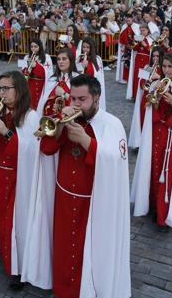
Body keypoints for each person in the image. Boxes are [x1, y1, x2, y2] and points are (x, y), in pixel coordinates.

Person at [40, 74, 130, 298]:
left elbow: (115, 162)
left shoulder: (112, 124)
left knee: (87, 250)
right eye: (73, 99)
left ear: (96, 98)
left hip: (94, 201)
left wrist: (87, 141)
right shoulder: (65, 118)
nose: (76, 104)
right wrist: (60, 126)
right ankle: (63, 290)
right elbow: (47, 149)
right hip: (64, 197)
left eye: (83, 99)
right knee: (63, 247)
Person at [0, 71, 48, 290]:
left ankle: (19, 269)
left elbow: (30, 150)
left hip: (19, 178)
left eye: (7, 88)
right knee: (2, 221)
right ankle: (6, 258)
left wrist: (8, 133)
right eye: (0, 88)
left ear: (20, 90)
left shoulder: (31, 116)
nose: (2, 93)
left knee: (17, 223)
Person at [131, 52, 172, 231]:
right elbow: (149, 110)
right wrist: (156, 99)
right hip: (156, 134)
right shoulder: (156, 84)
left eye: (170, 67)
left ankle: (165, 211)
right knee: (153, 168)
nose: (167, 71)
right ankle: (151, 205)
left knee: (167, 173)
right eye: (164, 66)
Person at [129, 46, 163, 149]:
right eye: (153, 56)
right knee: (143, 119)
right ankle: (142, 142)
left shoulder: (165, 68)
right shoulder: (147, 67)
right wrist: (148, 77)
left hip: (158, 99)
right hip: (146, 97)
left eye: (157, 56)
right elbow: (141, 84)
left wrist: (159, 77)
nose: (155, 58)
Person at [37, 48, 78, 116]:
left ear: (71, 61)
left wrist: (64, 94)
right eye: (58, 59)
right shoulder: (52, 80)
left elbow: (80, 104)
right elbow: (43, 103)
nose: (60, 62)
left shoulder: (78, 79)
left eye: (64, 59)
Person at [22, 38, 53, 110]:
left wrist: (36, 66)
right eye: (32, 46)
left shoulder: (46, 57)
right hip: (30, 84)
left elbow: (47, 72)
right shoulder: (26, 57)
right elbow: (23, 73)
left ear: (40, 47)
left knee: (40, 105)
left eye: (35, 46)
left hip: (41, 85)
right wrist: (26, 69)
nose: (33, 49)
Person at [76, 37, 106, 110]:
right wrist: (82, 66)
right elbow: (77, 74)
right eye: (83, 47)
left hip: (93, 87)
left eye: (87, 47)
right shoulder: (80, 59)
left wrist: (87, 66)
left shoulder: (97, 59)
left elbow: (96, 74)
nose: (85, 49)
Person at [126, 23, 152, 100]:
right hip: (138, 59)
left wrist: (145, 45)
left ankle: (143, 95)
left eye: (144, 30)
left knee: (144, 77)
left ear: (148, 30)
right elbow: (134, 49)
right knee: (136, 77)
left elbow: (152, 51)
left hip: (146, 60)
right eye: (141, 30)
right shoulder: (139, 38)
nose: (142, 32)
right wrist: (136, 43)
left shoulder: (151, 39)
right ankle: (135, 95)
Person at [117, 14, 139, 84]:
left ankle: (131, 79)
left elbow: (138, 36)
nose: (128, 21)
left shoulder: (136, 26)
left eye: (129, 20)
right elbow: (121, 37)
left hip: (133, 48)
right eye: (126, 20)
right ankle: (125, 79)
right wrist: (123, 46)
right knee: (125, 64)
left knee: (132, 63)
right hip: (126, 48)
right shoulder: (124, 26)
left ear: (132, 19)